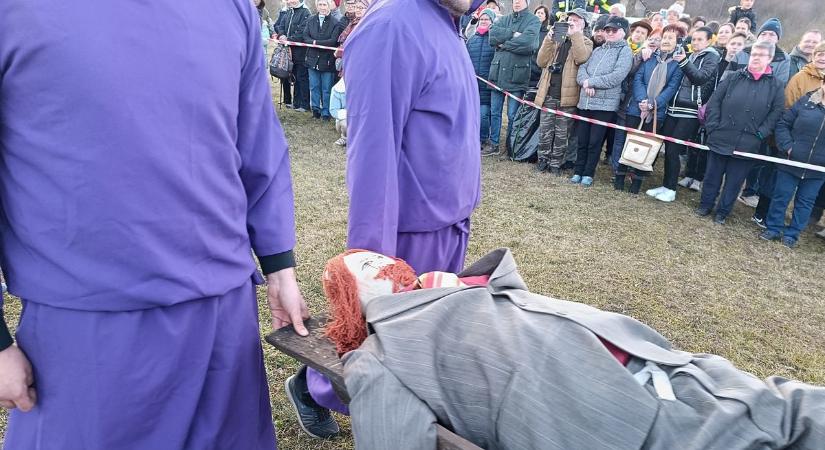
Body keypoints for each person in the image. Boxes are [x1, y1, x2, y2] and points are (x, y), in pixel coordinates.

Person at [0, 1, 308, 448]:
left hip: (222, 321)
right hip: (86, 331)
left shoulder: (231, 8)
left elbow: (258, 142)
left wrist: (280, 266)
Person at [332, 249, 825, 450]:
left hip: (684, 373)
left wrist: (467, 282)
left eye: (379, 257)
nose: (383, 266)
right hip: (624, 428)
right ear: (353, 305)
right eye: (365, 273)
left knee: (798, 410)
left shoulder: (473, 285)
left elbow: (520, 293)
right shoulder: (380, 354)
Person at [283, 0, 486, 437]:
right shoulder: (393, 25)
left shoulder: (448, 22)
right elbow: (372, 148)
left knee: (420, 346)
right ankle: (315, 386)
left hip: (448, 223)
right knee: (380, 344)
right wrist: (369, 257)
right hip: (408, 233)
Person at [696, 40, 785, 225]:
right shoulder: (733, 77)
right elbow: (714, 102)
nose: (755, 59)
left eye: (760, 55)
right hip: (721, 136)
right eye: (753, 54)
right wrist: (713, 126)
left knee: (734, 183)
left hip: (748, 143)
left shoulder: (776, 86)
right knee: (712, 176)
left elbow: (776, 113)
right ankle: (705, 205)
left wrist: (761, 134)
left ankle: (722, 212)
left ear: (769, 59)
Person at [650, 26, 720, 201]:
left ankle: (671, 190)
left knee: (674, 149)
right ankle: (666, 185)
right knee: (667, 146)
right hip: (674, 108)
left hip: (690, 111)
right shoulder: (689, 56)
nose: (695, 43)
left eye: (700, 39)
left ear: (709, 41)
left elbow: (700, 78)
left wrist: (683, 62)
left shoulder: (712, 57)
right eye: (693, 39)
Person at [614, 24, 684, 194]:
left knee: (646, 146)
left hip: (657, 111)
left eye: (670, 38)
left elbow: (671, 88)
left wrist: (653, 104)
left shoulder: (677, 64)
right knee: (627, 141)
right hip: (636, 107)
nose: (666, 41)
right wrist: (642, 100)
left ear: (677, 42)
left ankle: (636, 182)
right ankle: (619, 177)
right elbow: (638, 78)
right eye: (664, 37)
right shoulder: (651, 57)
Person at [759, 81, 825, 248]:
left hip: (817, 170)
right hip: (791, 161)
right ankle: (773, 228)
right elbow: (783, 124)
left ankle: (792, 234)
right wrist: (787, 146)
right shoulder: (806, 101)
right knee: (781, 196)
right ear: (822, 83)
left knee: (805, 202)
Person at [571, 16, 632, 187]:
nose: (610, 33)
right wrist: (585, 82)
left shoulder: (625, 51)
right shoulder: (597, 50)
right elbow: (582, 68)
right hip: (586, 102)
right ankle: (578, 170)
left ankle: (588, 172)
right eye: (608, 30)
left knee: (595, 141)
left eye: (614, 30)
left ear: (623, 32)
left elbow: (617, 76)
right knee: (582, 140)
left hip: (604, 106)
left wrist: (592, 82)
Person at [535, 8, 593, 175]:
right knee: (545, 131)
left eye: (576, 20)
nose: (571, 22)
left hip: (567, 97)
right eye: (570, 19)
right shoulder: (557, 40)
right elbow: (541, 61)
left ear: (584, 24)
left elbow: (581, 58)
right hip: (549, 92)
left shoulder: (586, 42)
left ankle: (556, 164)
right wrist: (549, 38)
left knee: (562, 134)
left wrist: (575, 35)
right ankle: (543, 160)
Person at [487, 0, 541, 157]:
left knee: (512, 115)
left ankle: (510, 147)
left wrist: (503, 44)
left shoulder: (533, 20)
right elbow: (493, 37)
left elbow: (529, 44)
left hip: (517, 76)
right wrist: (513, 34)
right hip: (497, 74)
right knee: (495, 112)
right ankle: (494, 144)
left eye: (520, 0)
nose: (516, 2)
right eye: (514, 0)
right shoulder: (503, 19)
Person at [304, 0, 341, 121]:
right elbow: (305, 36)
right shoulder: (310, 20)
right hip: (312, 59)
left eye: (325, 4)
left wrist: (315, 42)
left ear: (329, 6)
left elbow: (332, 40)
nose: (322, 7)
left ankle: (326, 112)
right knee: (314, 86)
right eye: (320, 4)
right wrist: (313, 42)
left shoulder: (335, 22)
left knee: (326, 88)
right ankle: (316, 110)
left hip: (327, 60)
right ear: (316, 6)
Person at [467, 8, 498, 153]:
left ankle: (483, 139)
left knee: (484, 113)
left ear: (492, 22)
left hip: (487, 83)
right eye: (482, 19)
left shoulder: (494, 40)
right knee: (472, 113)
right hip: (472, 83)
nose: (484, 21)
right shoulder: (472, 39)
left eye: (487, 19)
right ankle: (473, 138)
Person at [275, 0, 312, 112]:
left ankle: (304, 104)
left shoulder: (306, 13)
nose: (291, 1)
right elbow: (281, 26)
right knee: (294, 77)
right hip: (289, 52)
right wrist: (281, 35)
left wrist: (288, 39)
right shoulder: (289, 12)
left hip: (300, 52)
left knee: (302, 78)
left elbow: (302, 32)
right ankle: (296, 103)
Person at [329, 73, 348, 146]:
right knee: (345, 124)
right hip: (345, 119)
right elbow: (333, 111)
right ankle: (344, 138)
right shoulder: (336, 88)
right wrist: (351, 113)